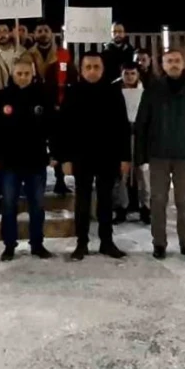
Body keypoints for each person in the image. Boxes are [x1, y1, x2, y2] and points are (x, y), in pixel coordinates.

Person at [134, 50, 185, 261]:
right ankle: (159, 243)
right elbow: (142, 123)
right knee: (158, 201)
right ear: (163, 65)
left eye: (177, 60)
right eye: (169, 61)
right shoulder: (153, 89)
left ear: (183, 62)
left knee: (184, 201)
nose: (174, 64)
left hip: (184, 155)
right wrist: (140, 156)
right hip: (158, 154)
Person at [57, 51, 131, 261]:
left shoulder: (113, 93)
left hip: (108, 156)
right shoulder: (72, 93)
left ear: (103, 69)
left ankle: (107, 242)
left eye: (96, 67)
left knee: (106, 201)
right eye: (88, 67)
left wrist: (125, 157)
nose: (92, 71)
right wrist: (65, 158)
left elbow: (122, 127)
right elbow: (63, 128)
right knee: (82, 201)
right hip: (81, 156)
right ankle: (82, 243)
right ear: (81, 70)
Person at [0, 57, 55, 261]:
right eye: (19, 73)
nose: (23, 77)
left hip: (36, 161)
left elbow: (54, 127)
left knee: (37, 205)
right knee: (8, 205)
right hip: (8, 163)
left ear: (32, 74)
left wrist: (56, 153)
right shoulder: (0, 98)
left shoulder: (43, 96)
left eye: (26, 73)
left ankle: (37, 244)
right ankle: (9, 245)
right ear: (12, 75)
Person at [29, 23, 77, 195]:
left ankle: (60, 179)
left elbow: (71, 76)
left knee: (59, 143)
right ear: (34, 34)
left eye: (46, 31)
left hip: (58, 104)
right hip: (37, 103)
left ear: (52, 34)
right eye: (39, 31)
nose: (43, 34)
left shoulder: (62, 55)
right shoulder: (28, 54)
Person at [113, 62, 149, 225]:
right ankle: (121, 207)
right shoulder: (114, 91)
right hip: (121, 136)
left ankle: (145, 208)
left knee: (143, 173)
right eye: (126, 73)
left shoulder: (146, 91)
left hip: (142, 136)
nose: (129, 77)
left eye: (132, 73)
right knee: (122, 174)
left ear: (138, 74)